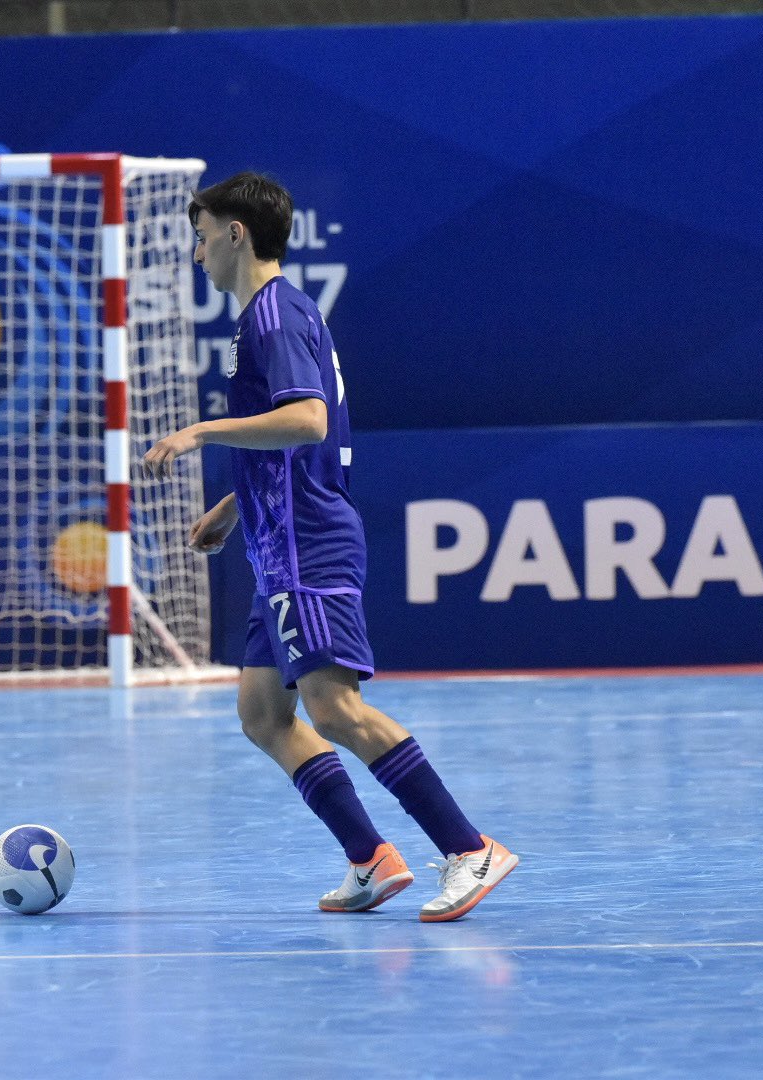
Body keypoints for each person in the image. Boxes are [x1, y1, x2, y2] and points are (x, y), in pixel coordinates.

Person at [143, 171, 517, 921]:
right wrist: (233, 504)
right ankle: (370, 858)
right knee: (261, 713)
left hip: (306, 543)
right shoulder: (271, 315)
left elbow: (310, 421)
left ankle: (468, 848)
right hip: (275, 539)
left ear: (235, 234)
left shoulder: (272, 316)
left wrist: (199, 432)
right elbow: (295, 441)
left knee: (333, 704)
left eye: (201, 234)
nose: (196, 253)